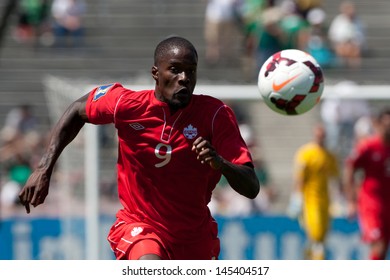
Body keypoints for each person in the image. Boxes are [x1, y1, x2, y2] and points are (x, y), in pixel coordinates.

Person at [18, 36, 260, 260]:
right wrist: (44, 168)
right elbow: (76, 110)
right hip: (140, 226)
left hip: (194, 237)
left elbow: (251, 187)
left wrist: (221, 163)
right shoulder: (126, 104)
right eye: (175, 69)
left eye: (191, 71)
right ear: (156, 73)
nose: (184, 77)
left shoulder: (216, 115)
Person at [289, 123, 342, 259]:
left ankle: (309, 255)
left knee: (322, 237)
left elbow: (335, 178)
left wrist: (340, 198)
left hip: (326, 201)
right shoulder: (306, 153)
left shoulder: (329, 156)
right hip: (310, 200)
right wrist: (297, 197)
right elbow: (299, 178)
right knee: (316, 233)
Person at [344, 107, 390, 260]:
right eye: (386, 124)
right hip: (371, 204)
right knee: (378, 244)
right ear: (378, 125)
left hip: (388, 204)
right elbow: (349, 167)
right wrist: (351, 200)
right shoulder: (368, 147)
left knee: (382, 249)